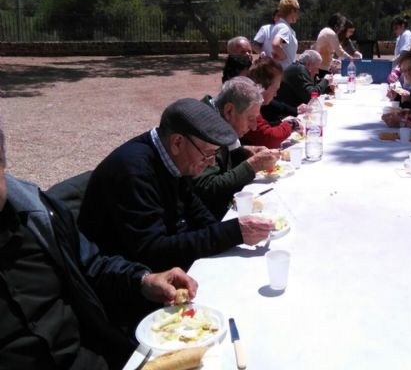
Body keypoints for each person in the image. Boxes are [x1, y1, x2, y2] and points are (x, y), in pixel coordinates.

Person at [0, 124, 198, 369]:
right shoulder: (134, 164)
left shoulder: (36, 218)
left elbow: (93, 266)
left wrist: (145, 280)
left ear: (3, 166)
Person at [79, 98, 273, 272]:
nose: (212, 162)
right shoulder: (134, 171)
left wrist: (227, 232)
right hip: (125, 277)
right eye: (208, 153)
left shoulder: (170, 156)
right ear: (177, 142)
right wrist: (232, 233)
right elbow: (153, 251)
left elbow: (194, 208)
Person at [196, 78, 280, 218]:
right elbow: (207, 187)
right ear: (229, 111)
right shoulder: (204, 128)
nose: (254, 127)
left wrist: (245, 153)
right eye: (250, 119)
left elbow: (222, 160)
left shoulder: (218, 117)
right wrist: (253, 165)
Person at [242, 58, 303, 149]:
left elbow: (263, 129)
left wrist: (282, 122)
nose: (275, 94)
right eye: (275, 90)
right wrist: (291, 124)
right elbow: (270, 139)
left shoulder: (250, 99)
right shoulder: (248, 104)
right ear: (263, 86)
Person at [314, 13, 355, 77]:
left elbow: (324, 51)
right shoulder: (331, 34)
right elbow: (339, 51)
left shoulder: (325, 31)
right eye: (341, 26)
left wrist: (332, 60)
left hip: (319, 66)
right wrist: (350, 58)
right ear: (336, 26)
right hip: (322, 69)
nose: (342, 29)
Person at [271, 0, 300, 69]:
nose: (298, 15)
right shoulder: (284, 28)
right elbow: (275, 44)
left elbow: (283, 45)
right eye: (297, 11)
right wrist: (283, 57)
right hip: (285, 70)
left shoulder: (279, 26)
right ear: (292, 11)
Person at [387, 14, 411, 83]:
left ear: (402, 26)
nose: (394, 31)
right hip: (403, 68)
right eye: (393, 29)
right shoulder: (400, 37)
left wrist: (393, 62)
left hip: (409, 69)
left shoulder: (407, 35)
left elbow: (405, 52)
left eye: (396, 28)